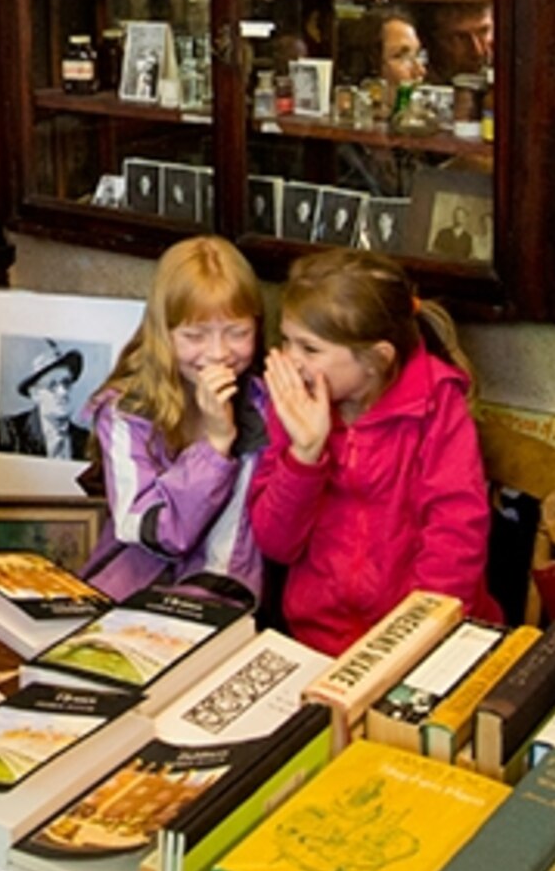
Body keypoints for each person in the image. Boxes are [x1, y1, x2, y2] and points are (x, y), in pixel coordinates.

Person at [248, 247, 493, 650]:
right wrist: (304, 456)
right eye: (287, 341)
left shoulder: (436, 404)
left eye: (310, 349)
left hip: (425, 637)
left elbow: (455, 531)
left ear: (377, 359)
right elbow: (277, 542)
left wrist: (417, 637)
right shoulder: (293, 404)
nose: (290, 361)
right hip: (318, 639)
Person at [84, 235, 267, 604]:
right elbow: (152, 530)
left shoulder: (266, 405)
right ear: (162, 333)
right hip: (131, 595)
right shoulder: (125, 411)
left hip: (224, 600)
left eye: (237, 333)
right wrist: (215, 447)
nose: (218, 354)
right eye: (194, 335)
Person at [0, 343, 90, 462]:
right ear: (35, 394)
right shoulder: (9, 432)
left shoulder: (87, 440)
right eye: (52, 385)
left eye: (66, 383)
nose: (63, 392)